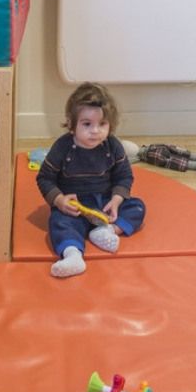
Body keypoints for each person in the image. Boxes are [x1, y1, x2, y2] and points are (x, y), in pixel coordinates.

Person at [36, 82, 146, 278]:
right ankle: (73, 255)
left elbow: (124, 176)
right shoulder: (62, 147)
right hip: (74, 207)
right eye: (87, 124)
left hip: (105, 205)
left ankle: (108, 231)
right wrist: (60, 201)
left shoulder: (112, 145)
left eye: (102, 124)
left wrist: (116, 200)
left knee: (137, 207)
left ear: (110, 124)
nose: (95, 131)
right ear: (72, 125)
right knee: (58, 222)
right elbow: (44, 178)